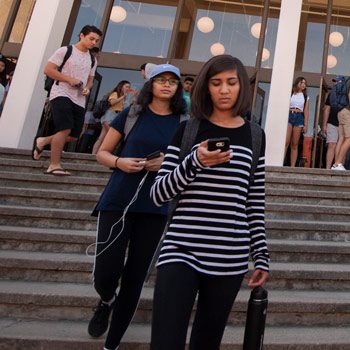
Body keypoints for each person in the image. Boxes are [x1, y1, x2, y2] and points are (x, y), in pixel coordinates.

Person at [149, 55, 269, 350]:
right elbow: (158, 194)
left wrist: (261, 254)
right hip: (181, 250)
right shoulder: (188, 131)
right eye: (216, 83)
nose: (224, 90)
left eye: (231, 82)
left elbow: (253, 200)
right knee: (165, 342)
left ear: (242, 87)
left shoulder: (255, 136)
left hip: (230, 257)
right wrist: (194, 162)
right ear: (206, 87)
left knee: (207, 342)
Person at [87, 64, 187, 350]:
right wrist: (120, 162)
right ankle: (106, 299)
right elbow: (103, 153)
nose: (166, 85)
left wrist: (167, 161)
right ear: (151, 85)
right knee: (105, 273)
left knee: (135, 279)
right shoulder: (131, 114)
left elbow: (189, 164)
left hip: (156, 206)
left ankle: (112, 344)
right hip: (118, 200)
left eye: (172, 81)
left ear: (179, 87)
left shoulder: (184, 123)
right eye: (161, 80)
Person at [31, 25, 102, 175]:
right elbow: (48, 70)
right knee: (64, 128)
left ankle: (42, 141)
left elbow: (90, 79)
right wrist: (69, 79)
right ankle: (54, 165)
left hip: (78, 99)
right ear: (81, 36)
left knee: (74, 135)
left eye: (96, 40)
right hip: (61, 93)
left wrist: (88, 88)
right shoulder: (65, 51)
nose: (93, 42)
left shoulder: (91, 59)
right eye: (91, 38)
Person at [92, 80, 131, 154]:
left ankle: (95, 153)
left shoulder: (123, 97)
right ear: (121, 87)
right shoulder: (115, 94)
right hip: (109, 115)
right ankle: (104, 153)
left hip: (114, 116)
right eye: (126, 86)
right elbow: (112, 102)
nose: (128, 88)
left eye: (129, 87)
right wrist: (123, 96)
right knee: (113, 136)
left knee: (102, 137)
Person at [284, 76, 309, 167]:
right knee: (286, 141)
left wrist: (305, 125)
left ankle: (292, 166)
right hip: (290, 115)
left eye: (305, 83)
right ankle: (280, 162)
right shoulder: (291, 93)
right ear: (297, 83)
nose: (303, 85)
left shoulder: (306, 96)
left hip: (299, 117)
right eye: (301, 83)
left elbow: (306, 111)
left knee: (294, 144)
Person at [323, 76, 344, 169]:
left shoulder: (347, 96)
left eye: (338, 81)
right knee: (332, 144)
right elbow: (327, 110)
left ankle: (339, 167)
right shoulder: (331, 95)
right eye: (335, 82)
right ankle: (328, 169)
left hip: (343, 124)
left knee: (342, 147)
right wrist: (324, 125)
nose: (336, 83)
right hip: (332, 123)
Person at [332, 76, 350, 171]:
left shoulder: (346, 80)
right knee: (349, 139)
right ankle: (338, 163)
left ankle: (336, 165)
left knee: (341, 139)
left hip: (341, 111)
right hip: (347, 112)